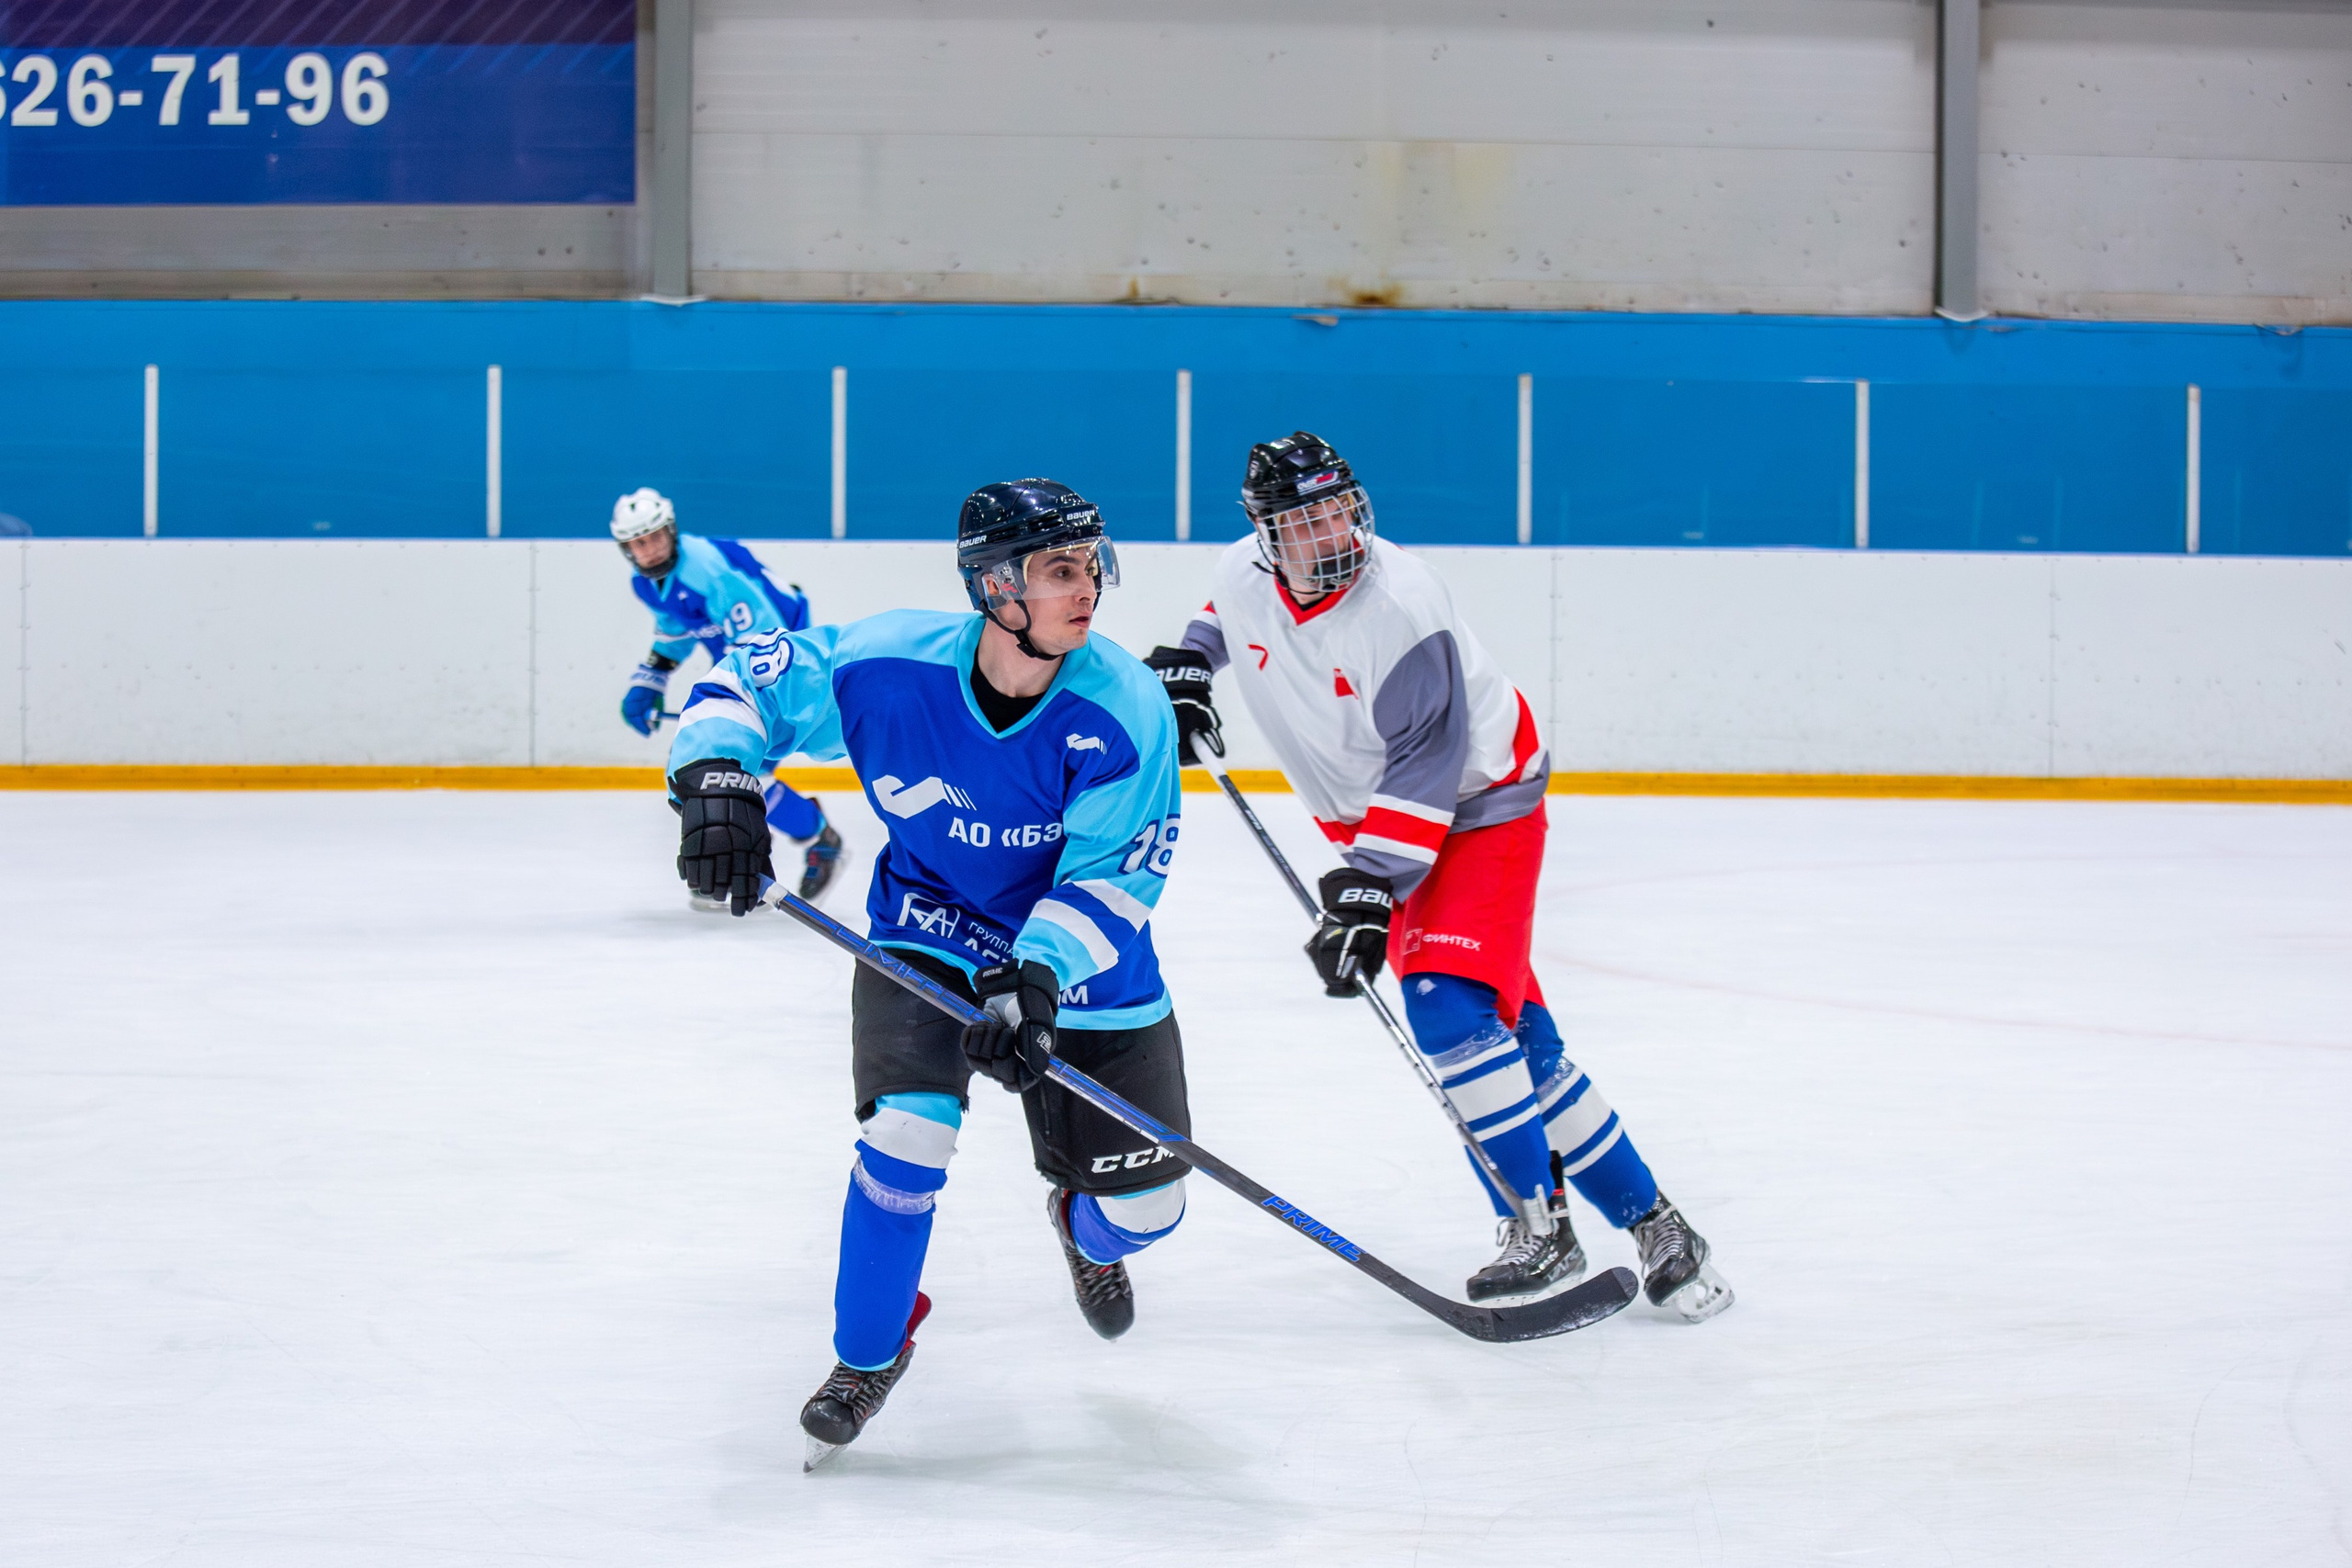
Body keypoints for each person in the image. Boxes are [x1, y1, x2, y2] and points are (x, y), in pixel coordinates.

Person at [1143, 432, 1731, 1323]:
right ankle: (1659, 1226)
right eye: (1306, 519)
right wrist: (1191, 667)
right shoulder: (1242, 571)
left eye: (1340, 507)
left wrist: (1370, 890)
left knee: (1448, 1007)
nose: (1333, 529)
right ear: (1267, 535)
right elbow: (1224, 618)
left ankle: (1536, 1224)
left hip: (1479, 804)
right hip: (1387, 820)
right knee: (1515, 1036)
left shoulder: (1402, 605)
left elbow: (1426, 761)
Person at [665, 479, 1193, 1467]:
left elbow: (1117, 874)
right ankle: (866, 1355)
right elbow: (743, 682)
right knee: (908, 1133)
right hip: (929, 927)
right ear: (996, 587)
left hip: (1082, 961)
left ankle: (1081, 1226)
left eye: (1092, 567)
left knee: (1148, 1210)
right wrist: (720, 778)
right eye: (1060, 571)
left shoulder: (1123, 707)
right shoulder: (887, 664)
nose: (1089, 591)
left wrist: (1034, 976)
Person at [609, 486, 842, 905]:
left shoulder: (711, 572)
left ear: (672, 530)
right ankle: (791, 841)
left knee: (739, 768)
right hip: (742, 657)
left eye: (655, 537)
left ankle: (811, 840)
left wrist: (729, 703)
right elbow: (676, 630)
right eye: (638, 544)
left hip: (783, 656)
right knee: (735, 767)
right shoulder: (648, 584)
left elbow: (763, 643)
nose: (649, 550)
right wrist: (651, 678)